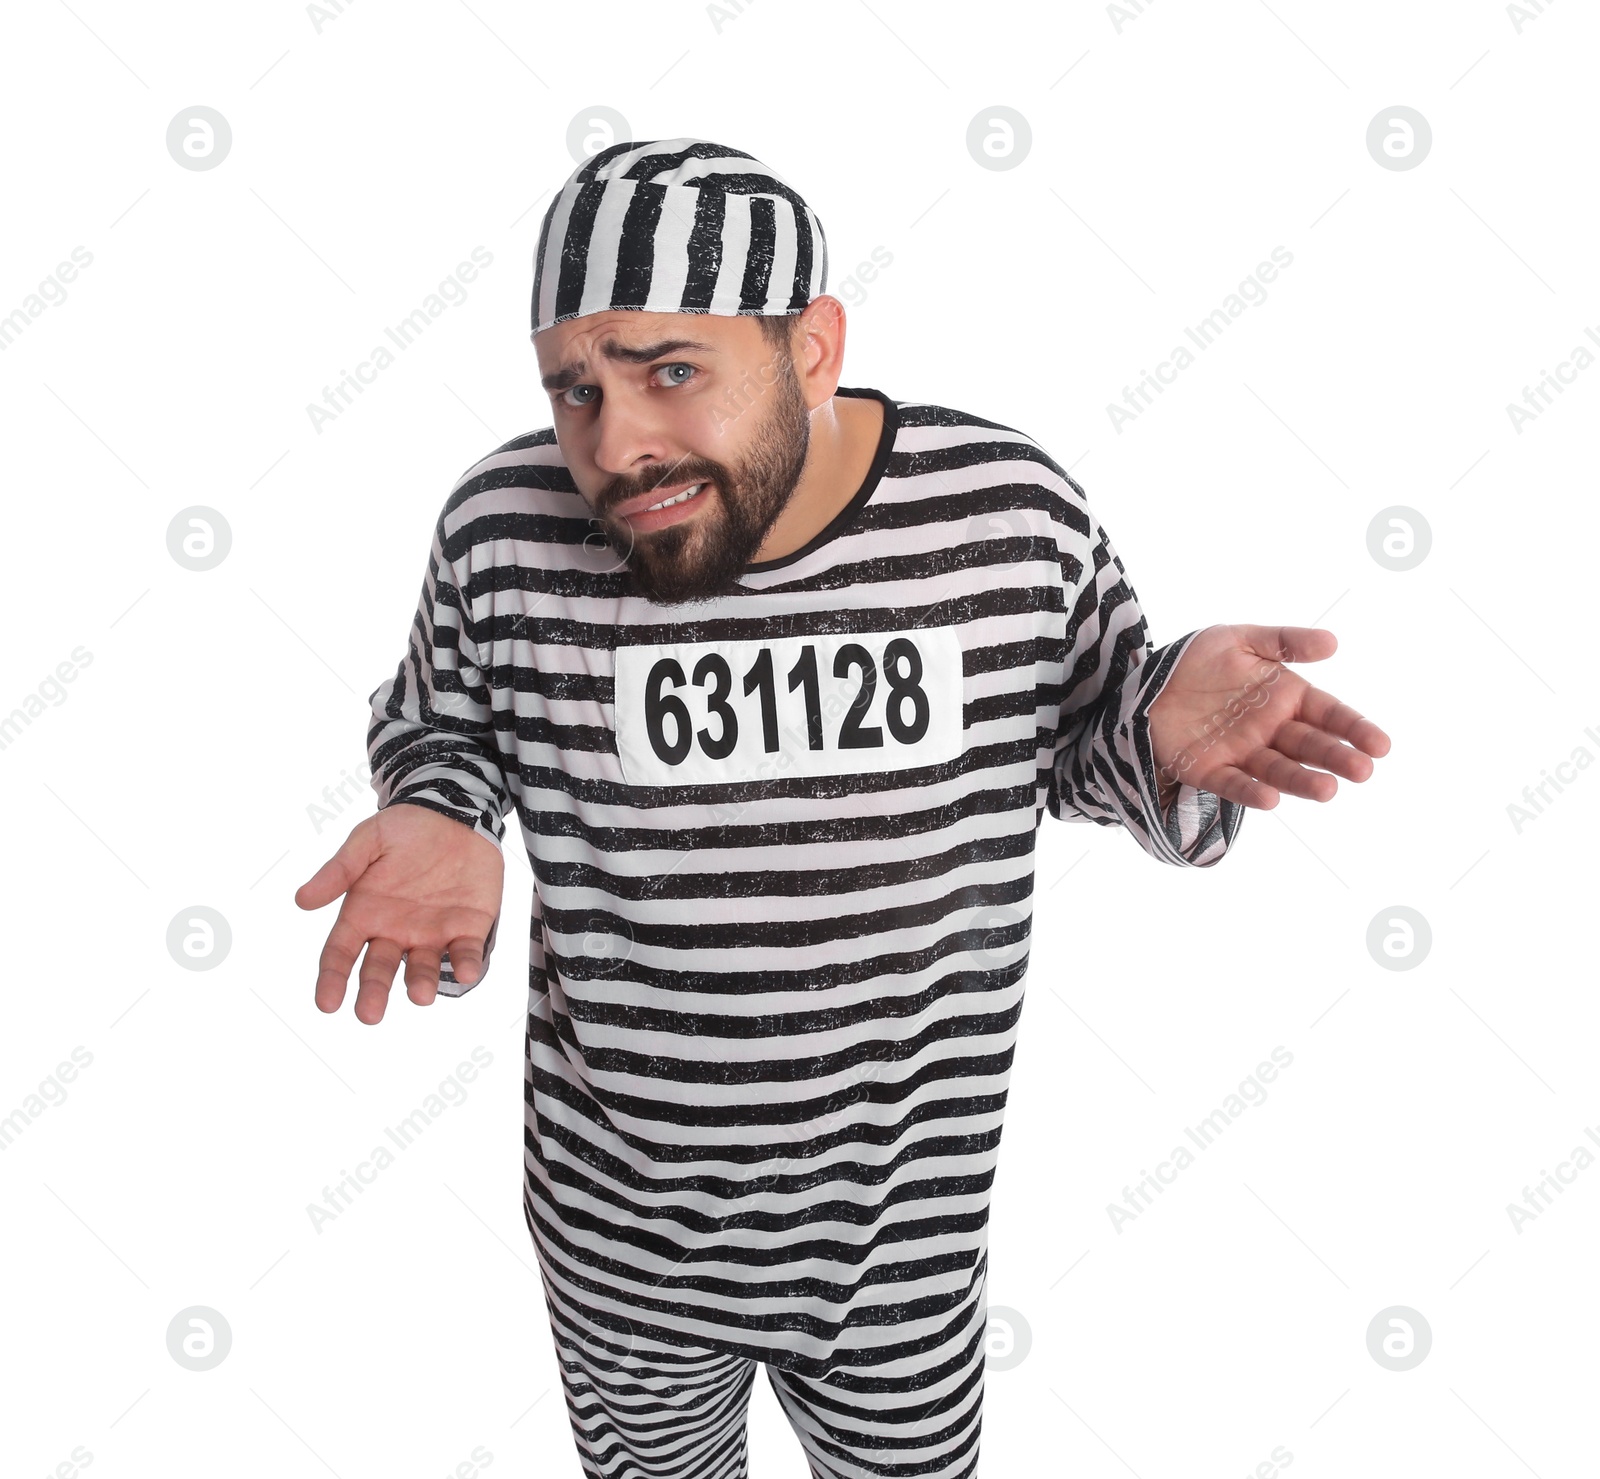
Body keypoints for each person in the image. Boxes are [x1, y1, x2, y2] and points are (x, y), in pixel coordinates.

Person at [295, 138, 1390, 1479]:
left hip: (899, 1242)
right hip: (617, 1240)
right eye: (575, 390)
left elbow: (1076, 747)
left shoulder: (1005, 515)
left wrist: (1155, 736)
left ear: (811, 346)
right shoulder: (503, 525)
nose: (617, 443)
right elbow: (445, 720)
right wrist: (442, 806)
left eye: (670, 371)